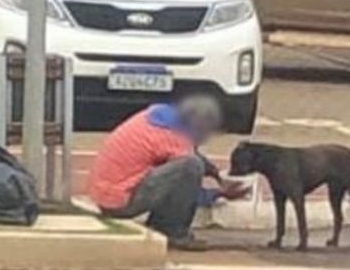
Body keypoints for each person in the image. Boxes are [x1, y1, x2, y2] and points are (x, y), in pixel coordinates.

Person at [87, 95, 249, 250]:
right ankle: (173, 232)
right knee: (191, 166)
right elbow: (188, 185)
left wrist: (216, 174)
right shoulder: (174, 138)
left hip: (106, 194)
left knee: (186, 163)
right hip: (119, 201)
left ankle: (161, 225)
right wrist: (218, 194)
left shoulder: (157, 116)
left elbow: (187, 151)